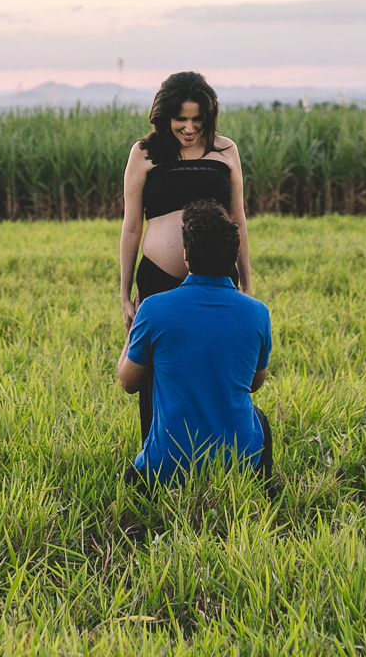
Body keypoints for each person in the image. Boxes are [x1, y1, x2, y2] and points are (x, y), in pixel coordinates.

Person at [119, 71, 253, 444]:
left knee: (217, 361)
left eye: (198, 120)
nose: (190, 129)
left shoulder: (226, 150)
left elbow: (237, 218)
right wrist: (123, 291)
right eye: (182, 120)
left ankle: (220, 445)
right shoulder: (144, 153)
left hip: (217, 275)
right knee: (155, 367)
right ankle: (157, 451)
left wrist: (246, 280)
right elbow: (131, 227)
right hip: (158, 279)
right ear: (165, 116)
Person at [116, 200, 273, 485]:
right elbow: (254, 383)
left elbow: (128, 382)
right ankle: (261, 489)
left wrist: (132, 328)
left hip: (166, 467)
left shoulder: (153, 309)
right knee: (258, 419)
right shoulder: (258, 313)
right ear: (233, 254)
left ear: (186, 255)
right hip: (236, 465)